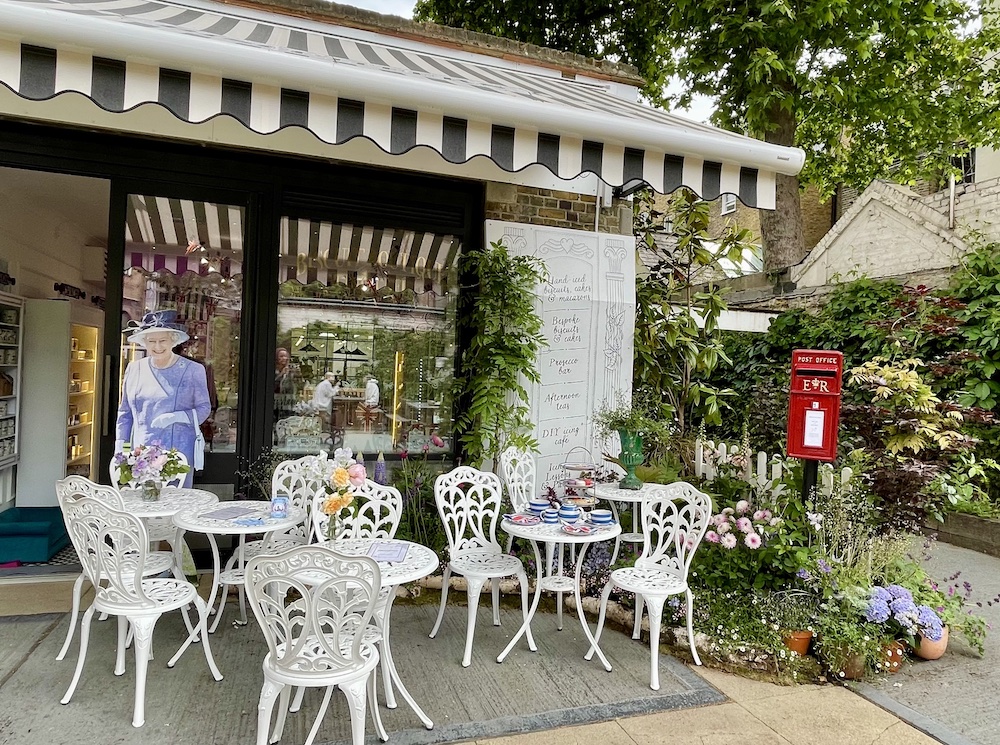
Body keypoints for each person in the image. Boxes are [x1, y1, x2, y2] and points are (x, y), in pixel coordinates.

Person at [116, 310, 212, 488]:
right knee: (144, 499)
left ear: (173, 340)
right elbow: (125, 413)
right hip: (141, 454)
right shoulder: (134, 369)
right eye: (152, 341)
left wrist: (176, 417)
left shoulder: (192, 370)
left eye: (163, 340)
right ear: (144, 342)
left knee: (175, 501)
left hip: (177, 453)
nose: (157, 346)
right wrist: (121, 448)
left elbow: (204, 408)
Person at [274, 347, 300, 417]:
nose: (284, 358)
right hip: (275, 402)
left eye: (285, 356)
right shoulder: (273, 370)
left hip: (288, 402)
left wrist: (297, 375)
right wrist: (281, 374)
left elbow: (298, 386)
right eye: (281, 356)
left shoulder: (290, 370)